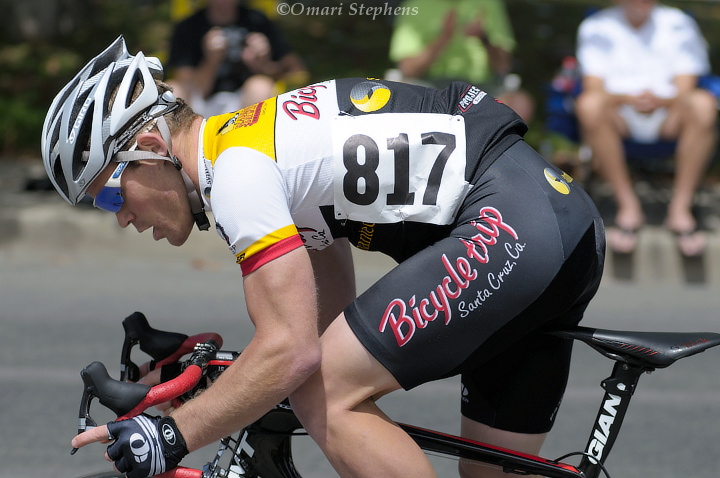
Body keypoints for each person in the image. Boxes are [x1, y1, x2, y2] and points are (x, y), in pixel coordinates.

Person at [43, 37, 605, 478]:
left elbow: (293, 354)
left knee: (321, 391)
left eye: (110, 196)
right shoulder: (254, 144)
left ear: (150, 150)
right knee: (489, 472)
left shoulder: (235, 172)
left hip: (513, 224)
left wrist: (172, 433)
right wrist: (211, 381)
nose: (120, 218)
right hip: (552, 227)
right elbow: (325, 323)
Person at [575, 0, 717, 256]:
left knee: (703, 104)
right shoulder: (595, 26)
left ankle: (680, 209)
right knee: (588, 105)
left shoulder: (679, 23)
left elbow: (686, 88)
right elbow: (593, 88)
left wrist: (660, 101)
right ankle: (627, 206)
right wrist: (628, 99)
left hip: (669, 114)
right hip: (619, 115)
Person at [388, 0, 535, 124]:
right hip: (428, 87)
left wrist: (484, 38)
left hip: (481, 89)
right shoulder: (415, 5)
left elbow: (503, 66)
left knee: (520, 103)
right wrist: (444, 38)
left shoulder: (490, 3)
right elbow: (408, 69)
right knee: (397, 97)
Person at [166, 0, 308, 117]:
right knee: (173, 91)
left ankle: (253, 142)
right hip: (200, 106)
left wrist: (263, 65)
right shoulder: (188, 26)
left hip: (246, 107)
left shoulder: (257, 21)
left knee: (260, 86)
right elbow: (187, 84)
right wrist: (211, 62)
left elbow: (296, 70)